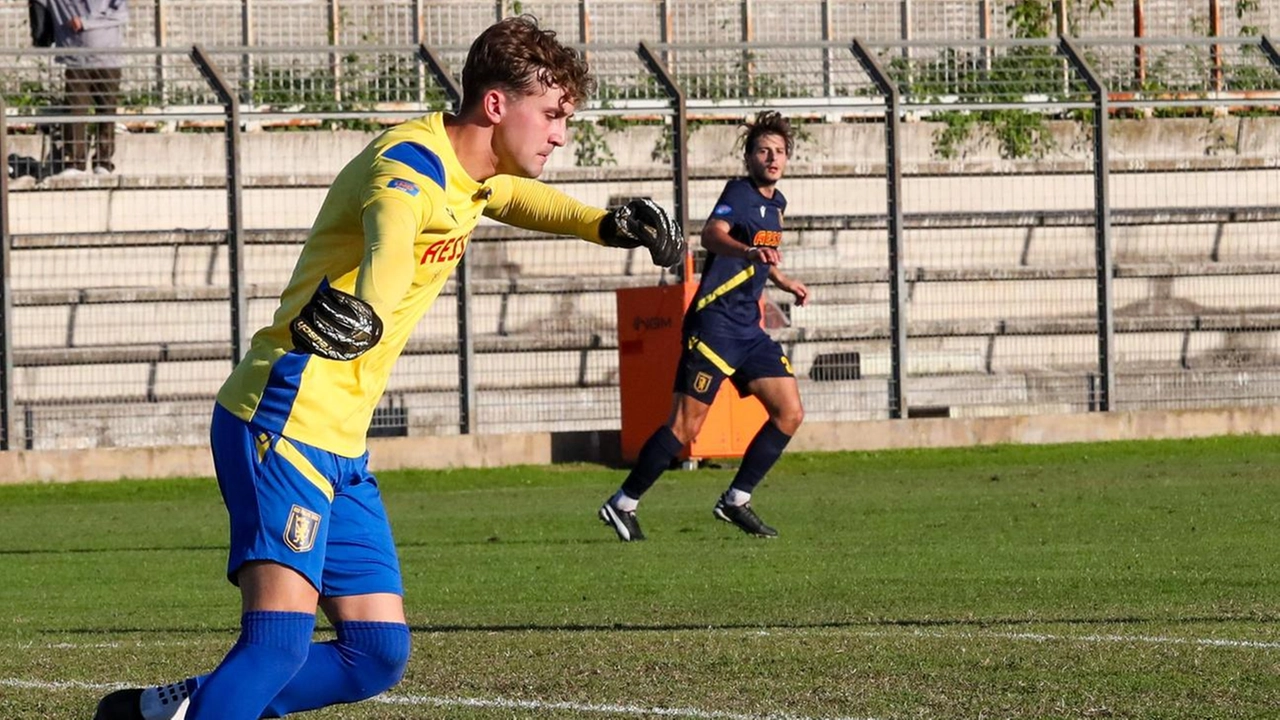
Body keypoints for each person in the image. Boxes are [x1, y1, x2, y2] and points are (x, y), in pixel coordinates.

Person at [91, 16, 682, 720]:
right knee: (277, 645)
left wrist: (602, 224)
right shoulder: (407, 167)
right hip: (285, 419)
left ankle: (166, 712)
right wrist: (368, 308)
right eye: (552, 115)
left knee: (375, 652)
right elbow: (391, 245)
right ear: (497, 105)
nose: (560, 133)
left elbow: (519, 199)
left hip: (341, 442)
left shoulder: (476, 175)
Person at [598, 110, 808, 542]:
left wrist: (783, 280)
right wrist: (747, 251)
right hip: (713, 325)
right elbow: (712, 235)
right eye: (764, 150)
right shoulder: (740, 193)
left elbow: (763, 259)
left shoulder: (777, 205)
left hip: (748, 330)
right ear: (749, 156)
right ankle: (624, 503)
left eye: (780, 151)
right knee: (685, 428)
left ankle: (736, 499)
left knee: (789, 413)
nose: (772, 157)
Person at [48, 0, 128, 176]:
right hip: (76, 60)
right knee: (75, 110)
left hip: (108, 59)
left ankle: (103, 162)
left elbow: (122, 14)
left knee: (106, 110)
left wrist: (86, 22)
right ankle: (75, 162)